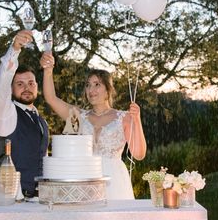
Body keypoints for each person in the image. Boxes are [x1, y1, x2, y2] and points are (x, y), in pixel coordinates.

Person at [40, 52, 146, 200]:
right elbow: (51, 98)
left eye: (97, 85)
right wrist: (48, 70)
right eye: (88, 85)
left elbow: (139, 154)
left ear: (108, 90)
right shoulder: (78, 117)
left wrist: (137, 120)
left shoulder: (124, 118)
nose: (91, 90)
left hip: (114, 182)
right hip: (85, 178)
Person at [0, 30, 49, 198]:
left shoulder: (41, 120)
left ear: (37, 87)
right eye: (20, 84)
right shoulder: (6, 112)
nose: (26, 88)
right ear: (11, 88)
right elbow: (1, 84)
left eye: (31, 83)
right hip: (11, 199)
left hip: (39, 200)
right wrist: (15, 49)